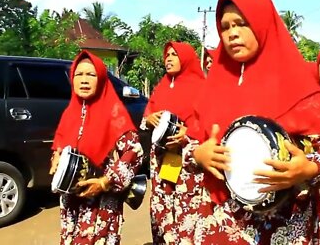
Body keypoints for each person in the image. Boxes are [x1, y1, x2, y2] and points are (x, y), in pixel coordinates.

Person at [185, 0, 320, 244]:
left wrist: (309, 167)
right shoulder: (212, 88)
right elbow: (191, 142)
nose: (232, 33)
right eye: (225, 27)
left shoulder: (296, 86)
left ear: (263, 24)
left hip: (281, 225)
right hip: (219, 221)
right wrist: (198, 155)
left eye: (242, 24)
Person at [49, 50, 144, 245]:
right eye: (79, 74)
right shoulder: (70, 112)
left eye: (91, 75)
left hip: (102, 201)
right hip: (72, 200)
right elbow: (60, 144)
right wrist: (56, 157)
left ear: (101, 78)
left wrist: (104, 182)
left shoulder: (114, 111)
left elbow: (134, 152)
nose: (84, 80)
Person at [140, 41, 206, 244]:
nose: (168, 58)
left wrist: (189, 132)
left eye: (174, 54)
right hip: (161, 162)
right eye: (166, 55)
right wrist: (149, 119)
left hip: (187, 162)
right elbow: (147, 116)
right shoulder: (161, 87)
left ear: (185, 58)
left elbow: (210, 121)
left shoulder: (202, 86)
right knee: (162, 210)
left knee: (187, 211)